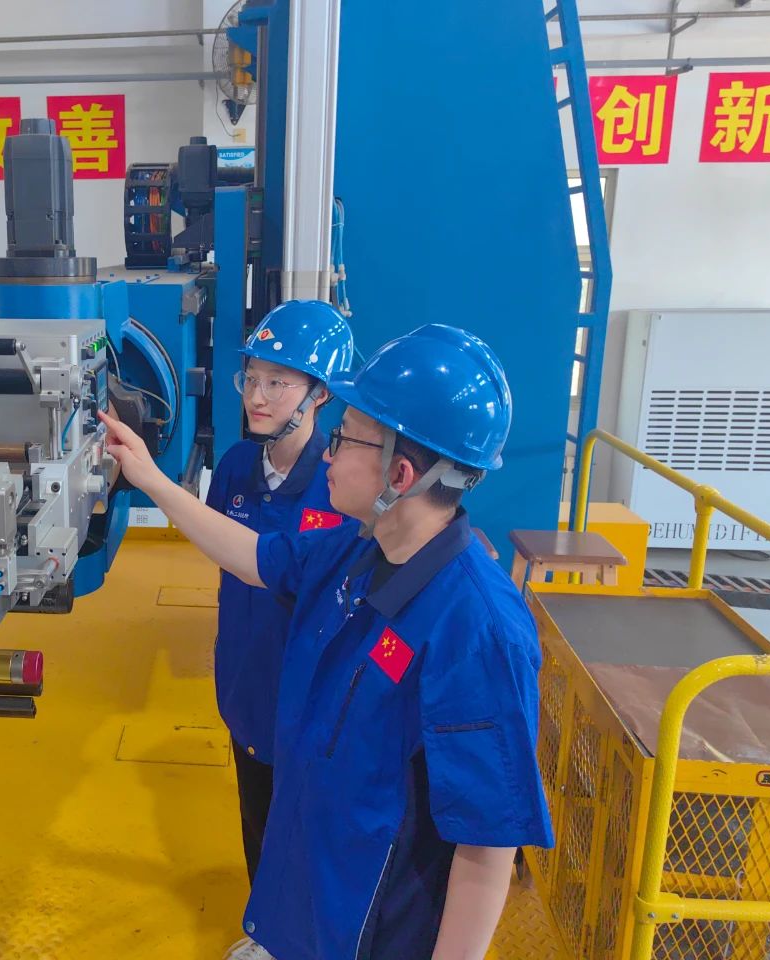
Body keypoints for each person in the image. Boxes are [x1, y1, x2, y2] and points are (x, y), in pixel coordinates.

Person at [100, 323, 552, 960]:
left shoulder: (477, 628)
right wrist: (148, 477)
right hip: (312, 900)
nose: (329, 456)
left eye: (345, 439)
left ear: (401, 473)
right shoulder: (356, 552)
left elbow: (487, 844)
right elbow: (255, 556)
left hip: (374, 933)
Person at [205, 300, 356, 884]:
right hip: (246, 686)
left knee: (309, 842)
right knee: (258, 825)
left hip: (311, 703)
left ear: (320, 393)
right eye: (251, 379)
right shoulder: (236, 466)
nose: (257, 397)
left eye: (277, 383)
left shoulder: (339, 484)